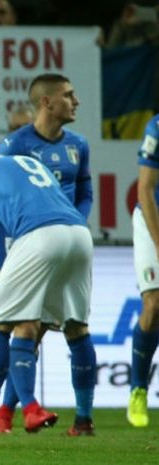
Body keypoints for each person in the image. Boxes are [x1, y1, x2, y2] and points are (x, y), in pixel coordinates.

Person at [0, 154, 96, 437]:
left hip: (40, 235)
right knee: (77, 328)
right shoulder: (26, 162)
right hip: (79, 234)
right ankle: (83, 422)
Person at [0, 73, 94, 434]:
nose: (76, 101)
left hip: (66, 243)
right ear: (47, 102)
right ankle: (7, 414)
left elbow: (85, 193)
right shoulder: (13, 146)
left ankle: (83, 419)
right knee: (27, 328)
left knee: (76, 326)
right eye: (68, 95)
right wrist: (0, 270)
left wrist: (73, 223)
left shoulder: (78, 145)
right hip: (28, 246)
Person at [128, 112, 159, 427]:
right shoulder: (157, 127)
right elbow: (145, 189)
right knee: (153, 304)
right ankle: (138, 389)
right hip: (154, 215)